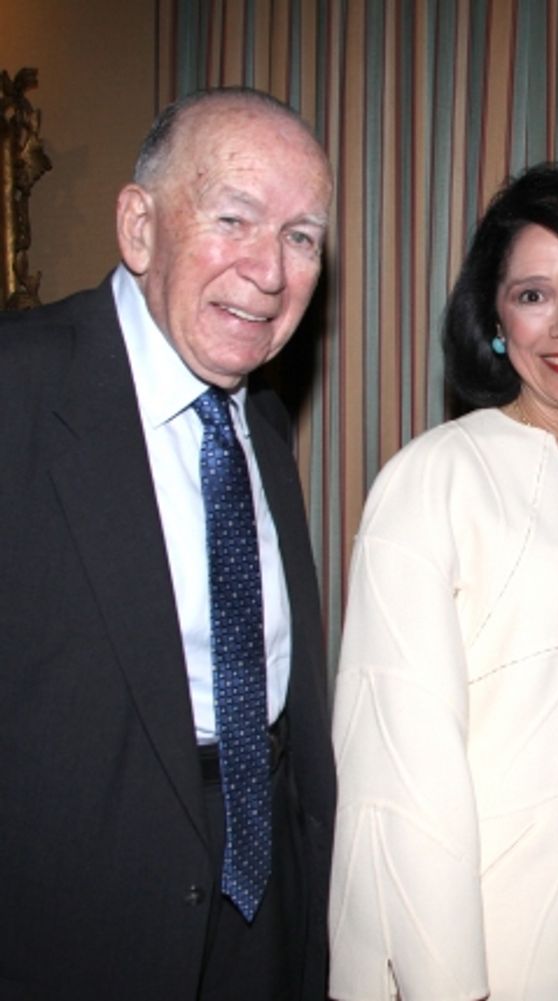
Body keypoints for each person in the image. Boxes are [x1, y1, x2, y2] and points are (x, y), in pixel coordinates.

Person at [328, 163, 558, 1000]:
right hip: (490, 962)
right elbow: (399, 780)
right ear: (494, 320)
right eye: (533, 295)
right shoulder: (433, 480)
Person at [0, 88, 337, 999]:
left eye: (302, 237)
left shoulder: (258, 420)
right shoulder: (20, 390)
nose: (270, 271)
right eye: (235, 218)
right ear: (140, 227)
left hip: (266, 909)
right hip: (76, 928)